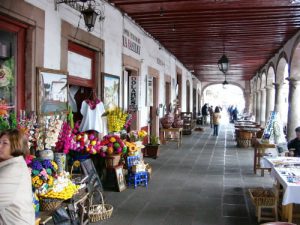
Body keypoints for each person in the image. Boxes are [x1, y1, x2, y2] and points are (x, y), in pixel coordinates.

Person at [0, 129, 35, 225]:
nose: (0, 146)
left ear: (16, 146)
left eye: (5, 143)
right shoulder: (13, 164)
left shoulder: (13, 170)